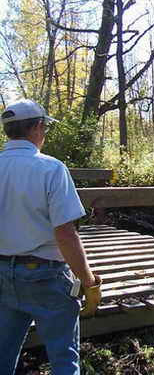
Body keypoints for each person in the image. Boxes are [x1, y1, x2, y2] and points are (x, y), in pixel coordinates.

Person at [0, 99, 102, 375]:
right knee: (64, 362)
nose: (44, 133)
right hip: (45, 275)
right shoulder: (51, 168)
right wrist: (88, 281)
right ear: (36, 127)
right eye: (44, 127)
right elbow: (66, 234)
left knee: (3, 356)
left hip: (3, 276)